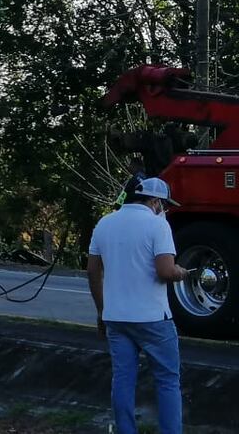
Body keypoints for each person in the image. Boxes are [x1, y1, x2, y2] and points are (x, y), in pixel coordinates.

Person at [88, 177, 189, 434]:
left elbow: (93, 271)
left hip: (116, 318)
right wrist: (179, 273)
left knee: (123, 380)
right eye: (163, 205)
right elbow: (165, 270)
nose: (164, 210)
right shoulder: (157, 226)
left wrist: (102, 311)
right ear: (155, 202)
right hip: (153, 318)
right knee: (167, 381)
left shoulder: (105, 223)